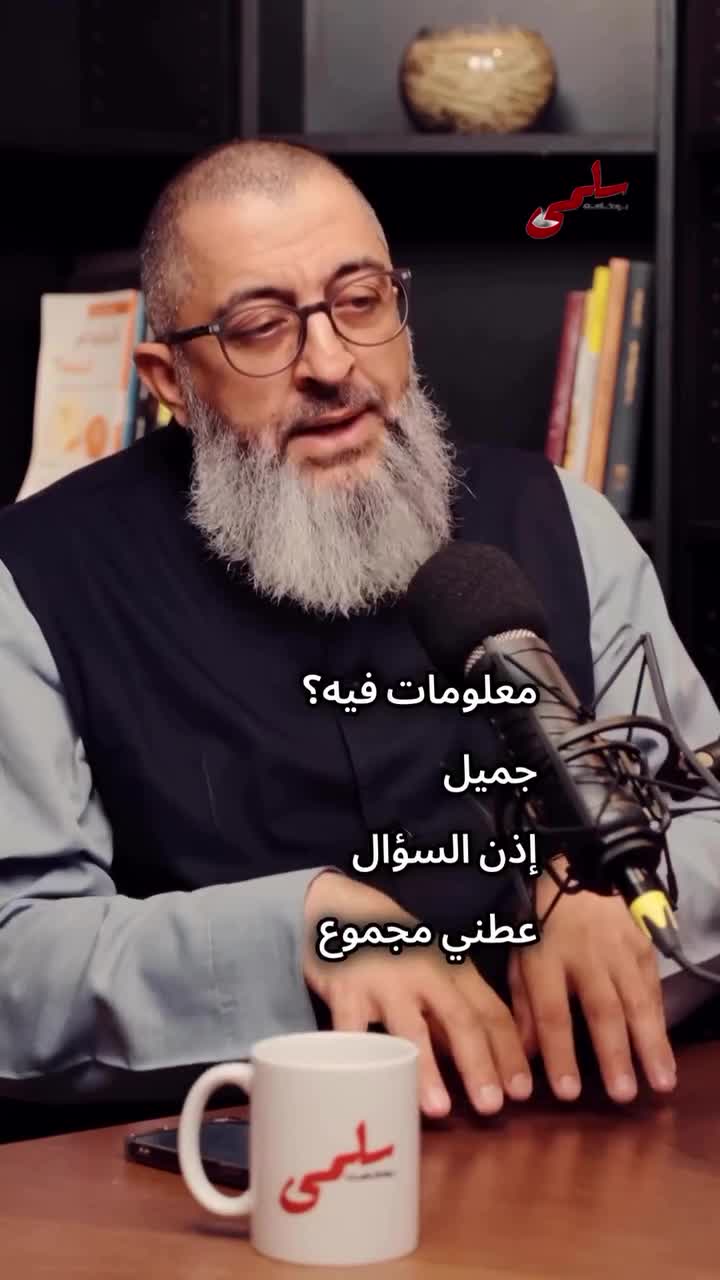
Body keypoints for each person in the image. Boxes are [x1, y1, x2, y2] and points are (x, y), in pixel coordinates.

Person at [0, 139, 718, 1128]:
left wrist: (625, 891)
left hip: (589, 1144)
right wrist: (295, 931)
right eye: (260, 327)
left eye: (361, 301)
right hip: (236, 1173)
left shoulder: (560, 516)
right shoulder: (34, 579)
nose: (332, 365)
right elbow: (17, 960)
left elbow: (706, 807)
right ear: (169, 379)